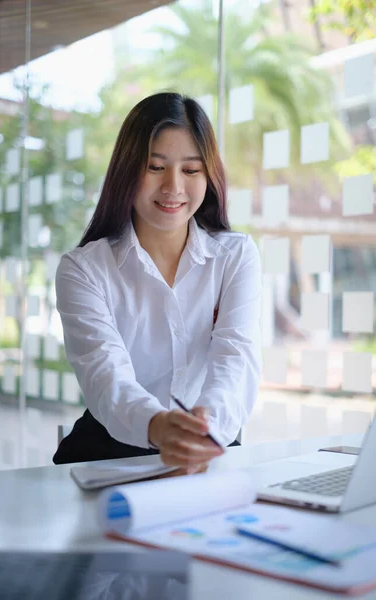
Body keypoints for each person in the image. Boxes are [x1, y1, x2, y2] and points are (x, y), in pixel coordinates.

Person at [53, 92, 262, 472]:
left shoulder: (235, 256)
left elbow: (236, 359)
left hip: (207, 443)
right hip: (110, 451)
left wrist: (205, 428)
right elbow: (104, 372)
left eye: (191, 170)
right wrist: (159, 426)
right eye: (154, 167)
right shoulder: (83, 269)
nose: (173, 187)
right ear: (127, 170)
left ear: (208, 176)